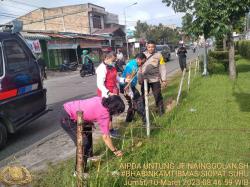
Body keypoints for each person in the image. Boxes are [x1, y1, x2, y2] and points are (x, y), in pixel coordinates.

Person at [60, 95, 125, 170]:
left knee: (88, 130)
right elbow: (106, 137)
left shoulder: (100, 99)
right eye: (117, 112)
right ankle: (79, 171)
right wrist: (115, 150)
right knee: (83, 142)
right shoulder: (104, 114)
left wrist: (89, 120)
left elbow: (88, 108)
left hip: (70, 109)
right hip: (67, 117)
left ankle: (89, 158)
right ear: (114, 109)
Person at [96, 51, 130, 137]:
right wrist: (108, 93)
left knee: (112, 112)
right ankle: (109, 132)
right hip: (106, 94)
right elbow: (100, 84)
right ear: (107, 58)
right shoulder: (101, 69)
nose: (114, 62)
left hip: (113, 92)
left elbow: (117, 78)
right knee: (108, 113)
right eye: (113, 60)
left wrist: (124, 80)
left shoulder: (112, 66)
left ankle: (111, 129)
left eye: (115, 60)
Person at [138, 40, 167, 115]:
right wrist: (139, 78)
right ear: (146, 47)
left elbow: (162, 68)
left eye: (152, 47)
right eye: (149, 47)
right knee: (144, 97)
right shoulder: (142, 55)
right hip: (145, 80)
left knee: (157, 96)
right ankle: (144, 113)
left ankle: (160, 112)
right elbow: (138, 68)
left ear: (155, 47)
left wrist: (164, 80)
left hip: (155, 80)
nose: (151, 48)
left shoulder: (159, 55)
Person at [121, 53, 147, 122]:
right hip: (127, 87)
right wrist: (129, 91)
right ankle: (145, 120)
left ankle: (128, 120)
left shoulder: (133, 63)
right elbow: (128, 78)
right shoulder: (133, 67)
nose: (143, 63)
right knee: (138, 102)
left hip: (127, 86)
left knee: (132, 104)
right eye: (143, 61)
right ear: (138, 59)